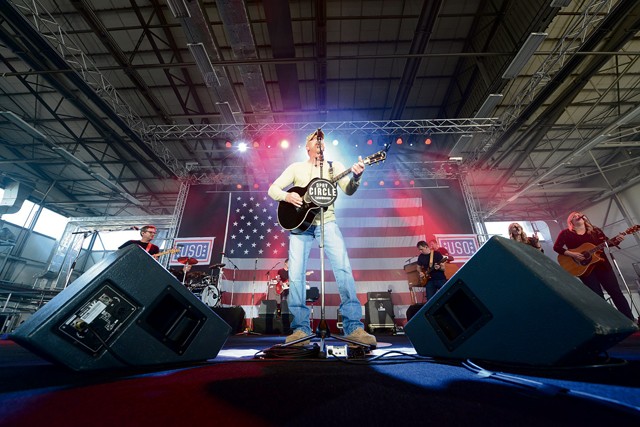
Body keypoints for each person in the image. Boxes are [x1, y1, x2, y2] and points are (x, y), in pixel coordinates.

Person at [268, 130, 376, 348]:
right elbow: (273, 189)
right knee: (296, 275)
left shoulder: (333, 167)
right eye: (314, 141)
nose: (319, 143)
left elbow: (349, 190)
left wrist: (356, 176)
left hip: (327, 221)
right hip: (300, 226)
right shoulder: (296, 168)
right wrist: (287, 196)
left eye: (322, 142)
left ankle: (353, 327)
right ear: (307, 147)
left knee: (343, 270)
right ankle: (300, 330)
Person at [553, 212, 633, 320]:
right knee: (597, 296)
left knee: (615, 291)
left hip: (602, 265)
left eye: (579, 214)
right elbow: (557, 247)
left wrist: (617, 240)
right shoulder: (566, 233)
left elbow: (607, 243)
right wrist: (573, 254)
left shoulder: (595, 231)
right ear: (570, 221)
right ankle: (609, 322)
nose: (578, 216)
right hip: (584, 269)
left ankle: (629, 320)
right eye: (574, 216)